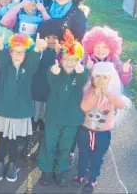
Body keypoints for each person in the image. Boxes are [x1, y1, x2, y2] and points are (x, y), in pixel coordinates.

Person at [0, 32, 47, 183]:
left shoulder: (28, 69)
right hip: (3, 109)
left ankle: (13, 165)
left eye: (21, 52)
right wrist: (0, 46)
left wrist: (37, 49)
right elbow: (1, 58)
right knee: (2, 139)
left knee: (15, 141)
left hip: (19, 110)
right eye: (15, 51)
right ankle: (0, 164)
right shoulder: (5, 66)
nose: (17, 55)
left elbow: (34, 61)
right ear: (10, 52)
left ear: (25, 54)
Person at [39, 30, 89, 187]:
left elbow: (83, 79)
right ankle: (46, 170)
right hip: (54, 117)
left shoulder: (81, 73)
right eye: (67, 59)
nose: (69, 63)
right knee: (49, 143)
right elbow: (50, 80)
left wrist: (82, 70)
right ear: (61, 59)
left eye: (74, 60)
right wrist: (53, 72)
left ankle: (60, 171)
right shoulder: (55, 71)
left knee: (65, 146)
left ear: (78, 60)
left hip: (72, 119)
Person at [72, 62, 131, 193]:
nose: (101, 80)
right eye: (98, 76)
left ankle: (92, 179)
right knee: (83, 154)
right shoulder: (88, 90)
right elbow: (84, 108)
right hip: (85, 130)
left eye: (105, 77)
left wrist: (108, 94)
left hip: (102, 133)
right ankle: (81, 175)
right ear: (92, 77)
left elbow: (121, 105)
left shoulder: (112, 93)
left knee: (97, 157)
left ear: (110, 78)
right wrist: (94, 95)